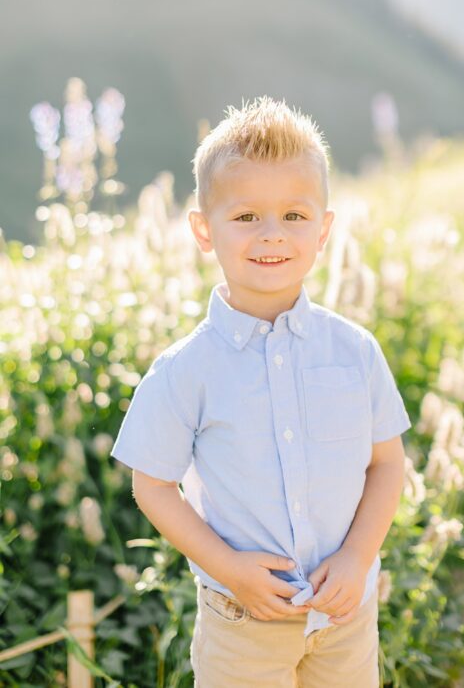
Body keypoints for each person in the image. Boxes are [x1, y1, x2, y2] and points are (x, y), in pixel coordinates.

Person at [111, 97, 410, 687]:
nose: (272, 235)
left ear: (324, 230)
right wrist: (229, 569)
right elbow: (153, 486)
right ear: (203, 229)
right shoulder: (184, 369)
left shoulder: (355, 351)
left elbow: (387, 465)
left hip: (345, 614)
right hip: (240, 618)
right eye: (246, 217)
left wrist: (356, 557)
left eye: (295, 216)